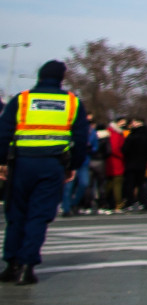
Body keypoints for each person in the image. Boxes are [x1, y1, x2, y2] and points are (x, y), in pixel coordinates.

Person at [2, 61, 91, 284]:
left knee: (16, 214)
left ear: (39, 76)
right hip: (52, 165)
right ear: (62, 78)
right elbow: (80, 140)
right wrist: (73, 166)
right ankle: (27, 266)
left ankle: (11, 263)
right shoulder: (71, 102)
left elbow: (3, 132)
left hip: (21, 163)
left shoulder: (22, 99)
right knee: (39, 215)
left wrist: (2, 161)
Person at [61, 115, 99, 217]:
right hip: (70, 162)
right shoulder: (71, 131)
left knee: (84, 184)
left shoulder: (92, 133)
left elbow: (95, 147)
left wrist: (90, 149)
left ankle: (74, 203)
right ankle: (66, 208)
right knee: (68, 187)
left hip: (83, 162)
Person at [121, 118, 147, 210]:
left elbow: (125, 149)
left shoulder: (132, 135)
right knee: (142, 184)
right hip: (143, 162)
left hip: (131, 162)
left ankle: (130, 202)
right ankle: (144, 202)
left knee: (130, 184)